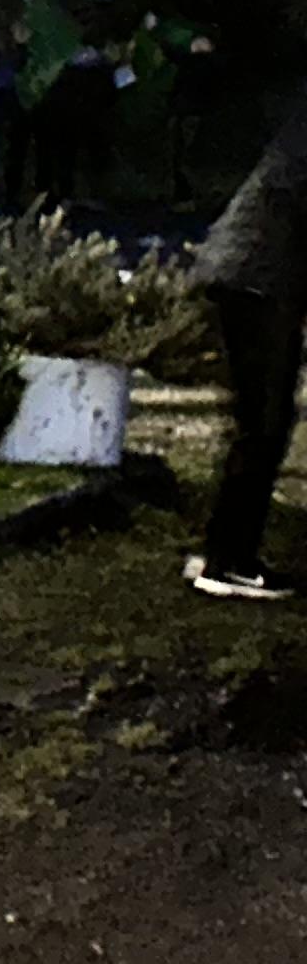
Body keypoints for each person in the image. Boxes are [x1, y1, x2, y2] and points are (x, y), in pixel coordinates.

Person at [185, 92, 307, 601]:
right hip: (259, 278)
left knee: (261, 421)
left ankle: (222, 549)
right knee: (265, 423)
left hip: (248, 272)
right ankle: (228, 561)